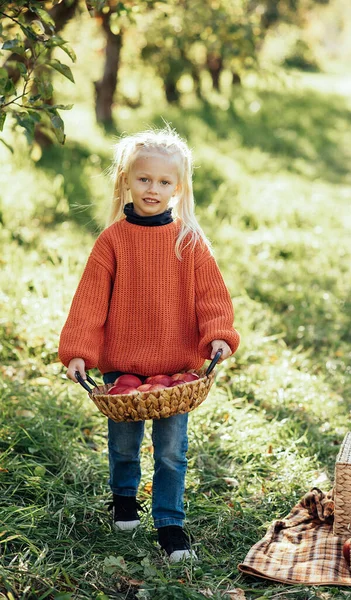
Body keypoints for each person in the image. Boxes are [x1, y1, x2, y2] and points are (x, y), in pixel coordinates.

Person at [58, 126, 240, 562]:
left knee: (172, 452)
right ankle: (124, 498)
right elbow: (89, 303)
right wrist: (79, 349)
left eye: (163, 182)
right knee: (123, 443)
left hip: (176, 371)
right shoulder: (112, 242)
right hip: (122, 366)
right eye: (143, 179)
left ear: (179, 187)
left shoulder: (189, 243)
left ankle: (170, 523)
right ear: (124, 180)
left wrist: (218, 333)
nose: (153, 189)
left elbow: (211, 298)